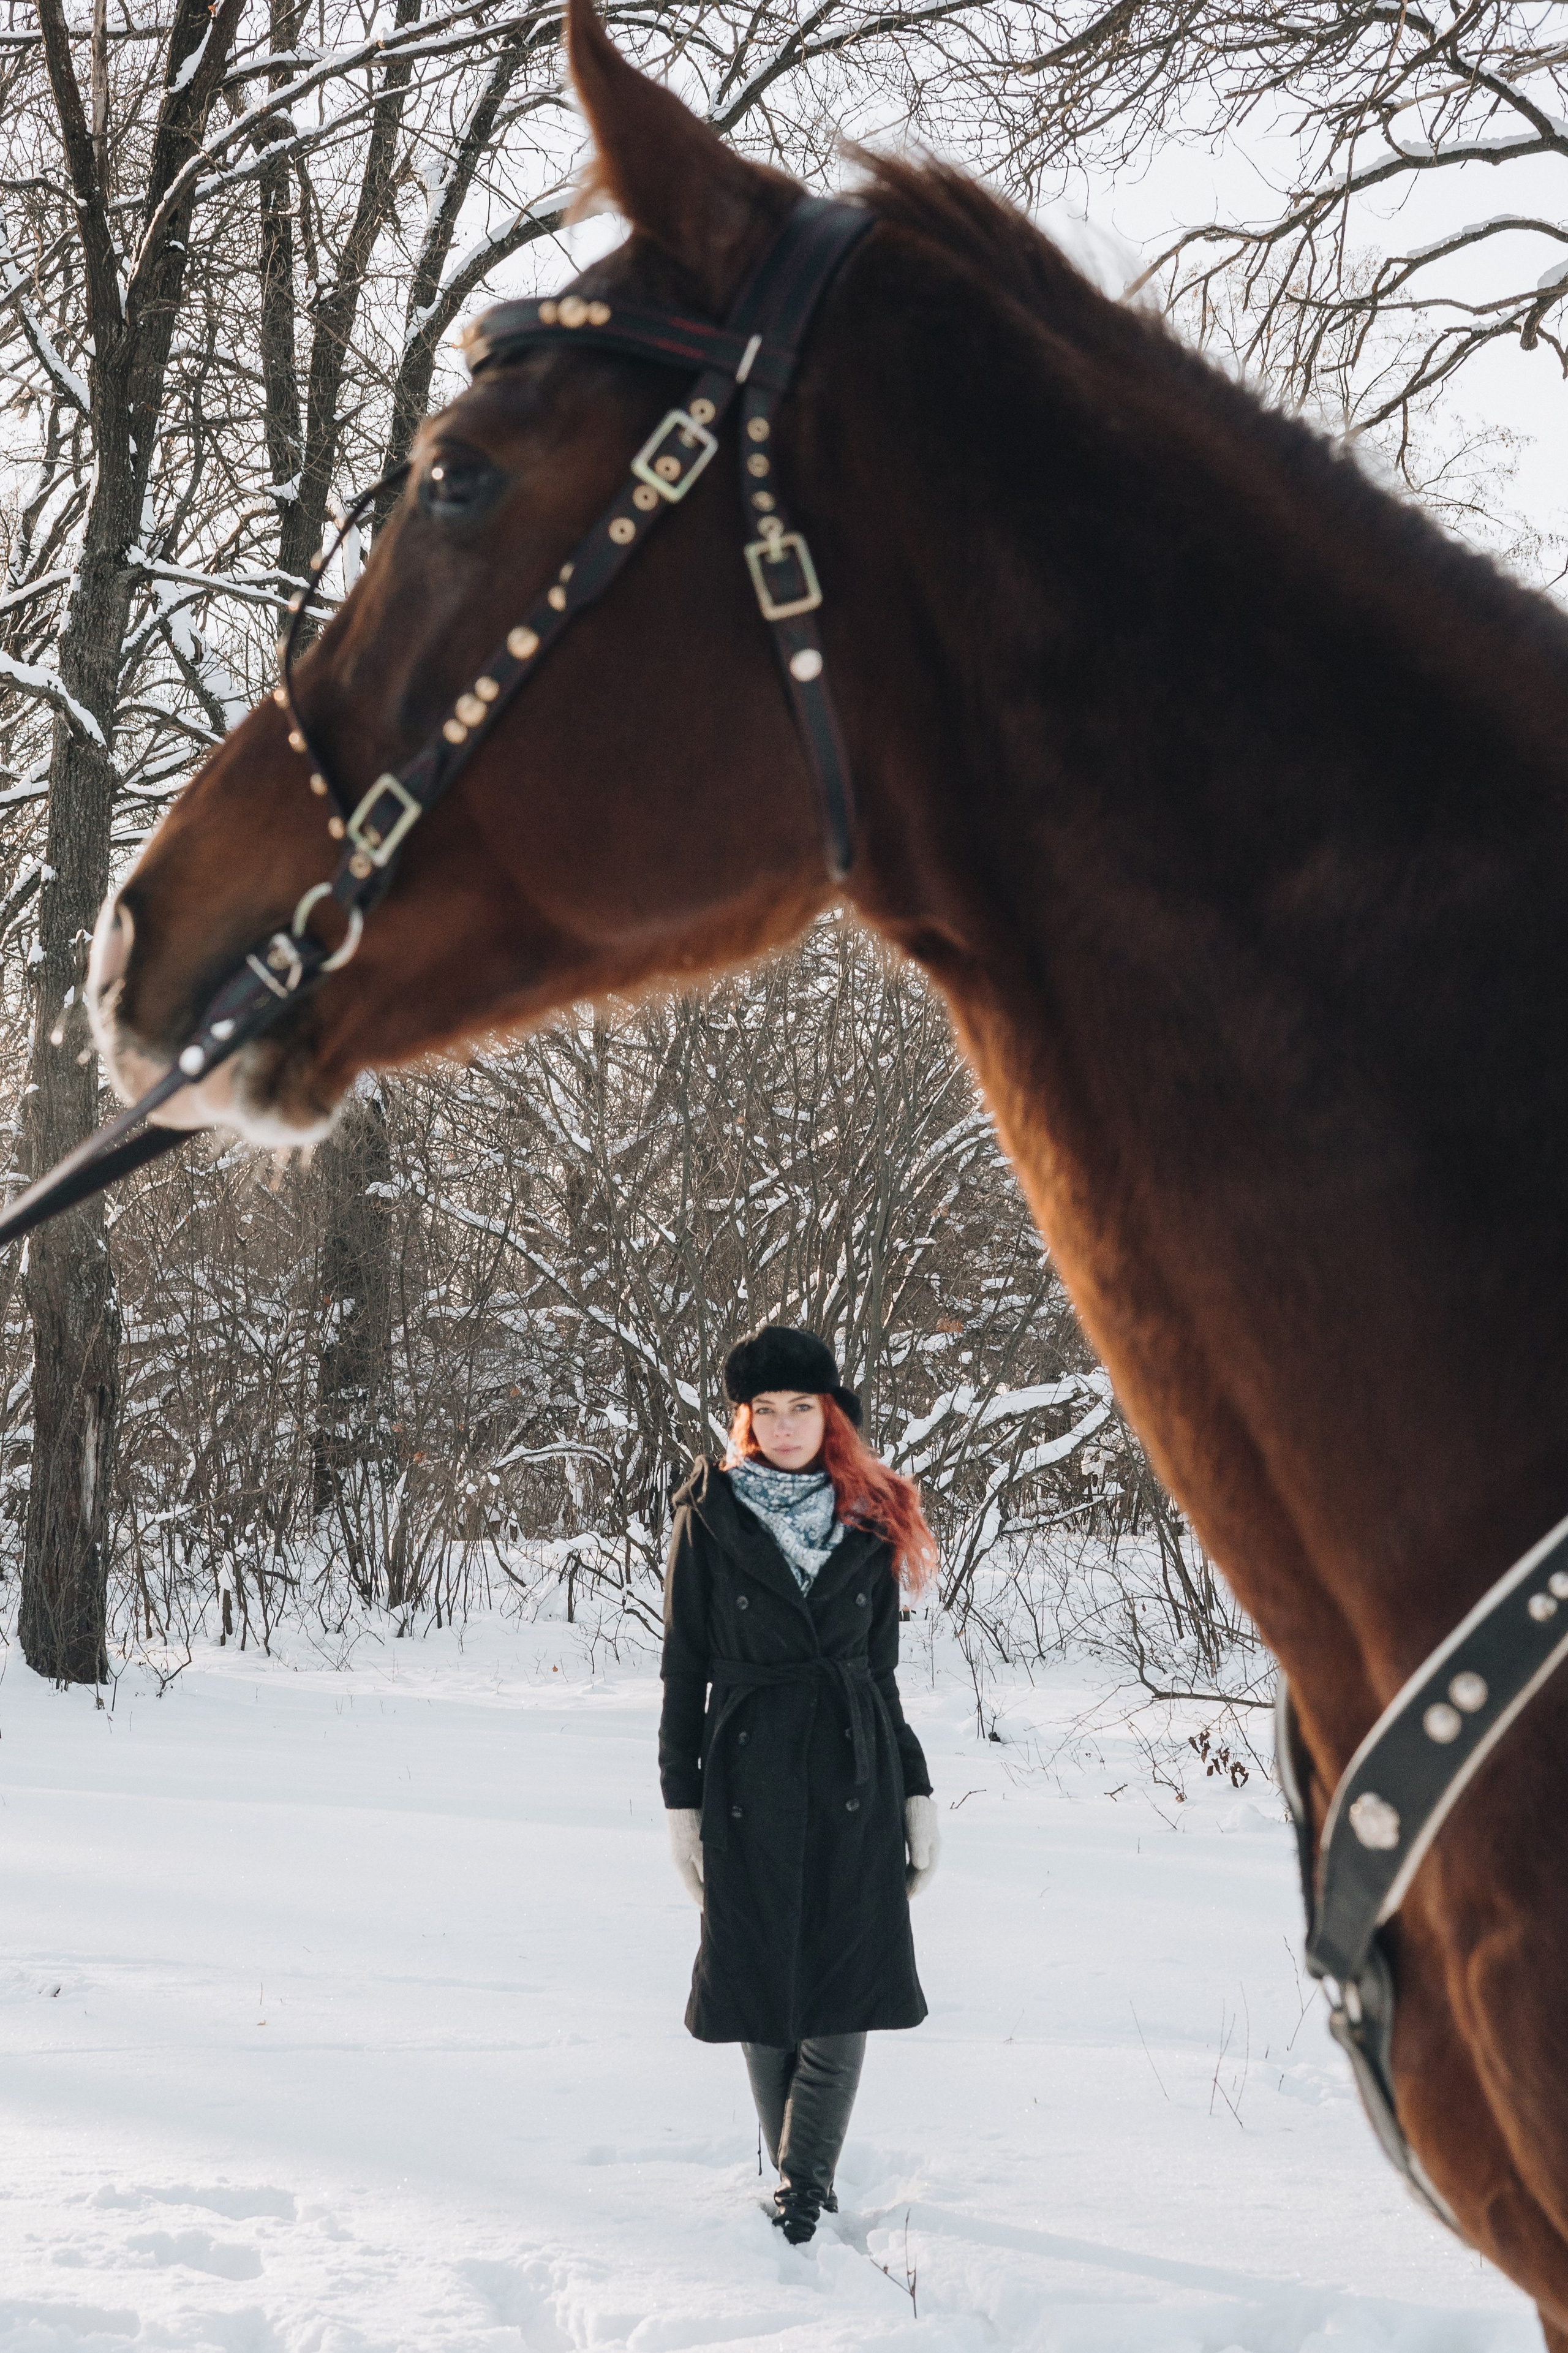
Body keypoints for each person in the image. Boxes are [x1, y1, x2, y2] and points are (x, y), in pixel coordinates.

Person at [658, 1322, 942, 2245]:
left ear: (831, 1416)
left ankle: (803, 2179)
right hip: (746, 1773)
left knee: (842, 1977)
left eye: (802, 1409)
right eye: (766, 1410)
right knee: (759, 1977)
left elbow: (883, 1672)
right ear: (744, 1419)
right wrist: (682, 1804)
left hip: (853, 1770)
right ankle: (792, 2165)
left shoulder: (873, 1514)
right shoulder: (707, 1516)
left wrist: (916, 1789)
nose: (784, 1426)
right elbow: (682, 1672)